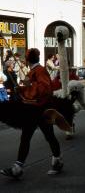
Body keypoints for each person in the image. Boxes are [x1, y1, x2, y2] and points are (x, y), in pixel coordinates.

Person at [0, 48, 64, 179]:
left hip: (40, 110)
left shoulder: (39, 71)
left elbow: (44, 89)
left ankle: (56, 160)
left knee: (48, 136)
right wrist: (22, 89)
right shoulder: (34, 71)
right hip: (33, 110)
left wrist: (28, 86)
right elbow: (32, 88)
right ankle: (18, 167)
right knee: (27, 137)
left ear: (28, 59)